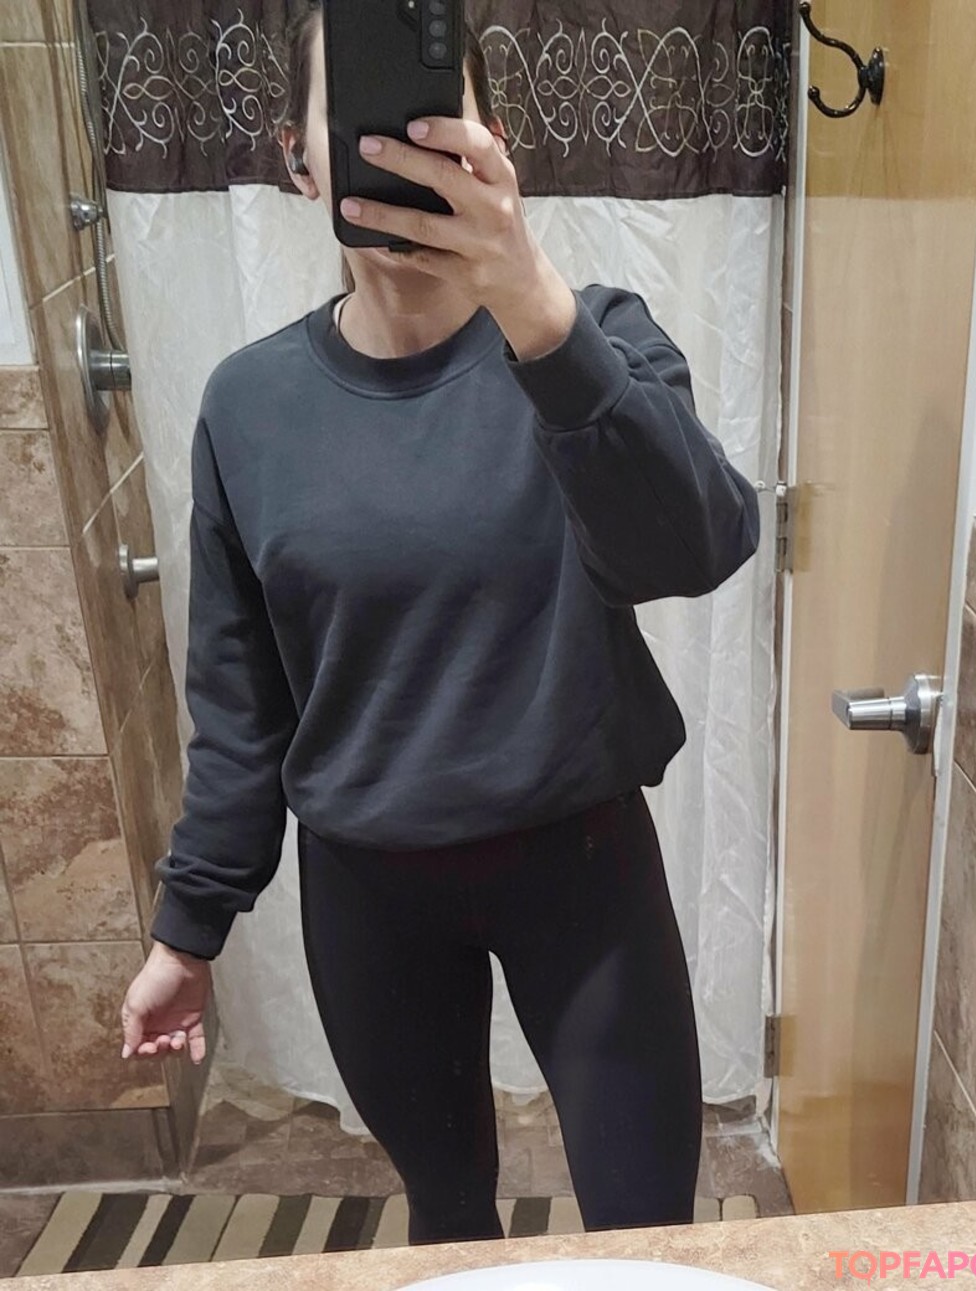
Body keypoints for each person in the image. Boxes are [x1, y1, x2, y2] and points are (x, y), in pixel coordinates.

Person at [118, 0, 760, 1246]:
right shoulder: (248, 407)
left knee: (646, 1234)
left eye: (436, 112)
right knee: (450, 1225)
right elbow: (243, 708)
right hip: (373, 898)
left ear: (493, 141)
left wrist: (536, 310)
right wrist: (186, 935)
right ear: (299, 158)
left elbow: (698, 547)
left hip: (585, 872)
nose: (401, 141)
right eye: (361, 117)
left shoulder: (591, 338)